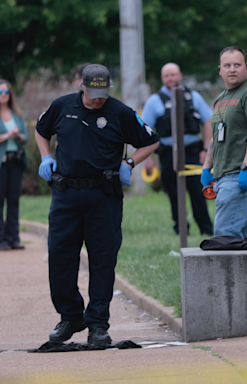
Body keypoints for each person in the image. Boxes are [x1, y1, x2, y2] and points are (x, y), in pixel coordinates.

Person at [35, 64, 159, 345]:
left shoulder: (120, 112)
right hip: (66, 195)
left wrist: (129, 163)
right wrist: (45, 157)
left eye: (103, 94)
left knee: (103, 261)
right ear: (82, 86)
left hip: (104, 197)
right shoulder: (62, 106)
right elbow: (42, 131)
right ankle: (71, 317)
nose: (97, 99)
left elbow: (151, 142)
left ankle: (98, 325)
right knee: (60, 258)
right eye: (93, 93)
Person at [201, 46, 247, 239]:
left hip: (244, 178)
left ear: (246, 68)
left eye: (237, 65)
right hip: (226, 177)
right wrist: (207, 168)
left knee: (225, 237)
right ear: (220, 70)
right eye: (227, 65)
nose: (232, 69)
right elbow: (216, 137)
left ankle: (223, 272)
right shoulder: (221, 99)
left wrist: (246, 167)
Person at [142, 63, 213, 235]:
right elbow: (145, 131)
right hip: (167, 153)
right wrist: (148, 159)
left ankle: (206, 229)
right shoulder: (154, 101)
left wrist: (206, 150)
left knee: (198, 192)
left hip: (193, 153)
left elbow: (208, 122)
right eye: (167, 76)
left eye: (173, 75)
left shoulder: (193, 97)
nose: (171, 78)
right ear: (162, 79)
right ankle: (181, 230)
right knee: (174, 195)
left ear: (180, 75)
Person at [0, 79, 29, 251]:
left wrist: (18, 136)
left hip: (16, 162)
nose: (3, 95)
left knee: (14, 201)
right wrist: (7, 136)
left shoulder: (16, 114)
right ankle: (1, 239)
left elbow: (25, 137)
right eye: (0, 92)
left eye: (6, 92)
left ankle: (14, 238)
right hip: (1, 164)